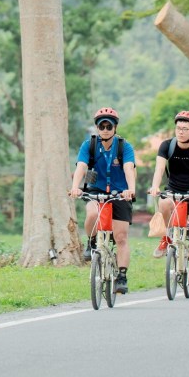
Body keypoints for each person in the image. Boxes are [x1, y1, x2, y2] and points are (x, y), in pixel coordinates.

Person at [70, 107, 136, 293]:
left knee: (121, 237)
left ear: (115, 127)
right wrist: (76, 186)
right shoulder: (89, 145)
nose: (105, 130)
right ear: (97, 128)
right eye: (102, 126)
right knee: (92, 213)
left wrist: (130, 190)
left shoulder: (124, 146)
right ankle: (91, 242)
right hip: (95, 189)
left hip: (120, 193)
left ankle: (122, 276)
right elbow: (82, 166)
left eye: (109, 126)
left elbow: (129, 168)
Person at [149, 110, 189, 290]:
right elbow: (159, 169)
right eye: (178, 128)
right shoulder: (167, 145)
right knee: (163, 203)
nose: (181, 132)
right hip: (174, 192)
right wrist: (155, 186)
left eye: (185, 129)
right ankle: (167, 237)